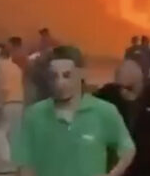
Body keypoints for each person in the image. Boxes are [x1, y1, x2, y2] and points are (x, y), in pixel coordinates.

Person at [11, 45, 136, 176]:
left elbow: (127, 149)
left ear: (82, 74)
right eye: (54, 76)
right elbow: (24, 163)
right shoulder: (35, 115)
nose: (60, 83)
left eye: (67, 75)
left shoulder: (104, 111)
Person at [0, 41, 25, 174]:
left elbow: (1, 87)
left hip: (7, 102)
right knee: (14, 134)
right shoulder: (16, 67)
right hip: (19, 101)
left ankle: (8, 162)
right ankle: (18, 161)